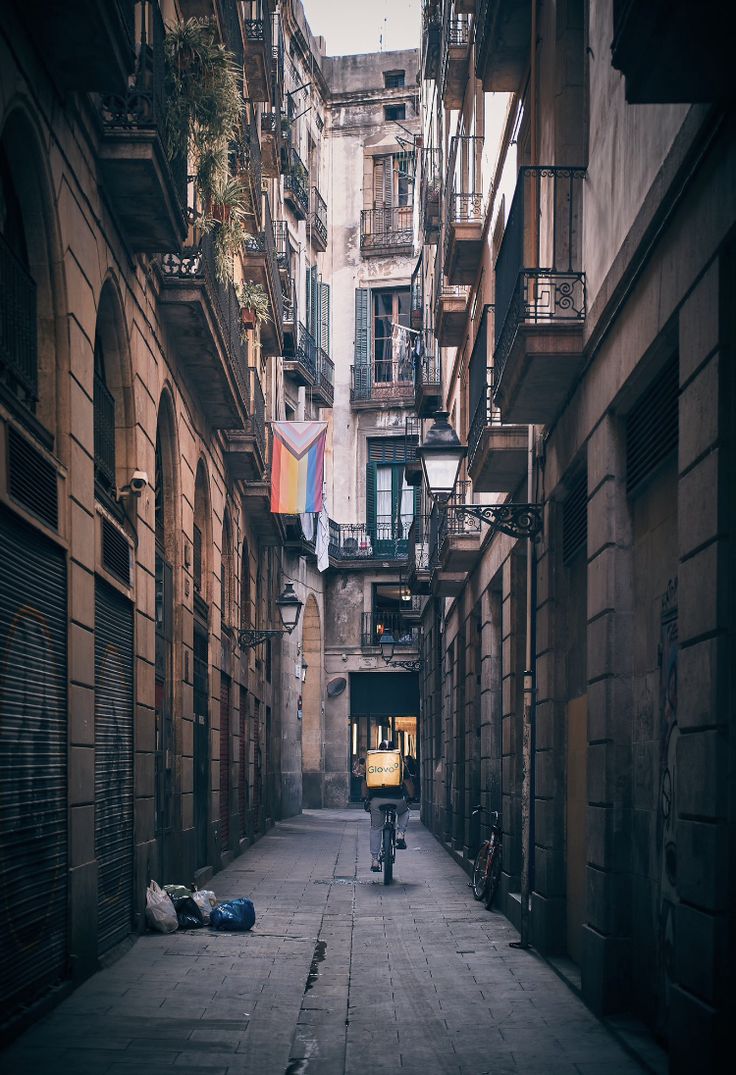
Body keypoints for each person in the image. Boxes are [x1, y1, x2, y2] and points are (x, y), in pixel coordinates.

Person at [362, 740, 413, 872]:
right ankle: (400, 834)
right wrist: (411, 797)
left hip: (376, 800)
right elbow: (408, 783)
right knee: (404, 811)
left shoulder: (372, 763)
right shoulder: (399, 763)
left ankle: (374, 860)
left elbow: (365, 784)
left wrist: (365, 799)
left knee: (376, 828)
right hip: (396, 799)